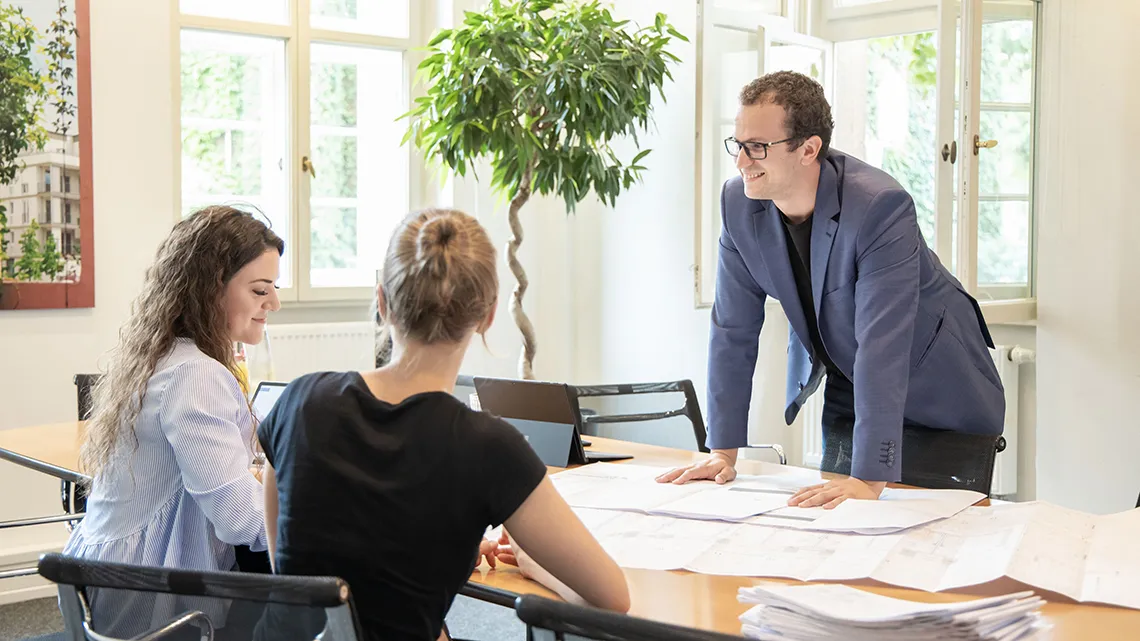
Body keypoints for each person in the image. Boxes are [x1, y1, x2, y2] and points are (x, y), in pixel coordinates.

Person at [257, 208, 630, 641]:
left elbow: (291, 573)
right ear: (489, 315)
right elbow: (613, 599)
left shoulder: (297, 402)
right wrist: (535, 566)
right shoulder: (490, 448)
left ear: (382, 302)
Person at [657, 71, 1004, 508]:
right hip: (849, 381)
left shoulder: (880, 206)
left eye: (758, 147)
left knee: (938, 534)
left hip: (938, 391)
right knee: (837, 523)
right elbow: (733, 329)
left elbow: (884, 344)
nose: (742, 161)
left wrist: (868, 479)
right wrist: (722, 452)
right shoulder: (738, 203)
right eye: (738, 144)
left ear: (809, 149)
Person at [64, 205, 282, 637]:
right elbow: (239, 520)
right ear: (212, 288)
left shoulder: (164, 356)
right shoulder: (196, 373)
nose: (273, 303)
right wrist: (301, 510)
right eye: (260, 290)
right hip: (153, 604)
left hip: (105, 582)